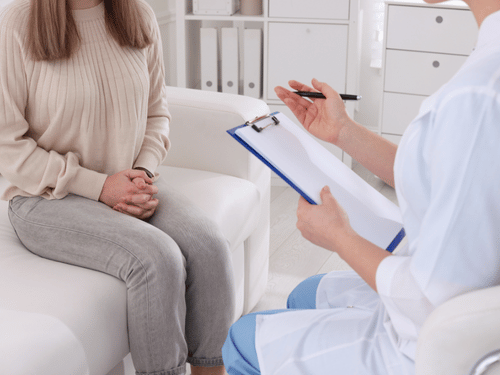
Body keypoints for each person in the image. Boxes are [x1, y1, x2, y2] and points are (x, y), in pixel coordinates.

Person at [221, 0, 500, 373]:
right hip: (463, 297)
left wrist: (340, 238)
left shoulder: (479, 96)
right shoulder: (484, 70)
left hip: (436, 344)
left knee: (242, 341)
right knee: (305, 294)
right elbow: (445, 174)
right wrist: (344, 133)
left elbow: (433, 302)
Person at [0, 0, 234, 374]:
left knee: (208, 244)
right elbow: (6, 145)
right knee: (156, 260)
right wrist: (99, 186)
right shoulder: (17, 22)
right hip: (45, 198)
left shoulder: (137, 13)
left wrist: (142, 172)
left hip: (128, 181)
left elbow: (158, 112)